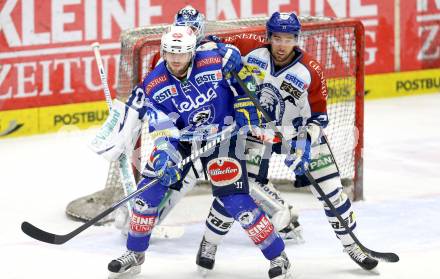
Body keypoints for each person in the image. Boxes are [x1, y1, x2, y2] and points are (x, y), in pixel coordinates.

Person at [91, 25, 293, 279]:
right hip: (182, 138)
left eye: (183, 53)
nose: (176, 59)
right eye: (171, 53)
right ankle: (135, 255)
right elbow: (161, 125)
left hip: (223, 135)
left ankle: (278, 256)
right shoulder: (154, 84)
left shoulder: (214, 60)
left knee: (235, 201)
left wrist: (246, 112)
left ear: (192, 52)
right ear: (164, 52)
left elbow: (245, 83)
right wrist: (164, 155)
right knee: (147, 192)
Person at [195, 11, 379, 273]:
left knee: (332, 194)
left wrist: (306, 142)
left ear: (297, 38)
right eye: (277, 38)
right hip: (254, 131)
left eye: (289, 38)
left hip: (297, 135)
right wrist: (221, 51)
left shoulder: (311, 70)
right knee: (232, 191)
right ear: (268, 36)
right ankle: (208, 243)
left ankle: (352, 245)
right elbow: (208, 43)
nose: (282, 45)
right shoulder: (249, 45)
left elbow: (319, 117)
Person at [141, 5, 303, 244]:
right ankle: (147, 223)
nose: (189, 33)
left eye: (193, 28)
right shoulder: (168, 58)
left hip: (227, 128)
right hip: (188, 135)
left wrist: (246, 105)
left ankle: (282, 214)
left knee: (236, 177)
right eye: (184, 28)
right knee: (176, 175)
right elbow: (160, 103)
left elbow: (243, 78)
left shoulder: (215, 50)